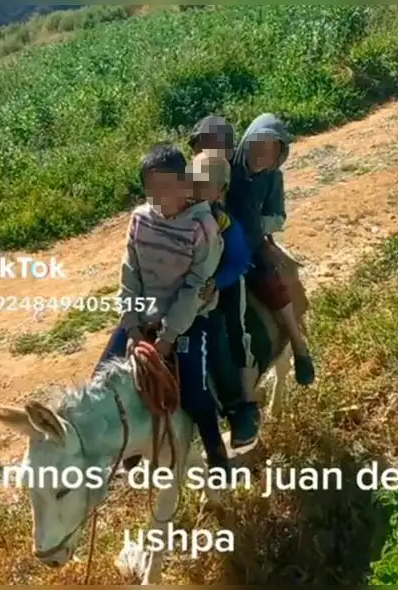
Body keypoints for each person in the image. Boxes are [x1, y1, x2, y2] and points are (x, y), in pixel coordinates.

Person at [96, 144, 228, 468]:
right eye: (151, 189)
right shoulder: (139, 220)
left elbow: (195, 286)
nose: (159, 196)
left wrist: (167, 338)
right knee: (101, 381)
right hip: (142, 317)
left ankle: (216, 454)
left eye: (167, 187)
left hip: (187, 320)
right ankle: (125, 451)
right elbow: (130, 271)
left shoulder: (202, 228)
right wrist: (132, 326)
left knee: (195, 391)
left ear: (185, 185)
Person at [226, 113, 315, 386]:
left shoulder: (273, 178)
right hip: (216, 240)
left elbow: (278, 216)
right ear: (246, 143)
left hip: (251, 244)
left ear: (279, 153)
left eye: (270, 149)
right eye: (258, 145)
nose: (262, 153)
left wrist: (258, 225)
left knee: (271, 281)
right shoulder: (227, 168)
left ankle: (299, 346)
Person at [189, 150, 261, 448]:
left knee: (233, 330)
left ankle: (243, 406)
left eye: (205, 183)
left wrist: (217, 282)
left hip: (225, 283)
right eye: (193, 181)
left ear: (220, 190)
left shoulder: (224, 223)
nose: (196, 189)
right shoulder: (178, 215)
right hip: (187, 286)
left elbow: (240, 261)